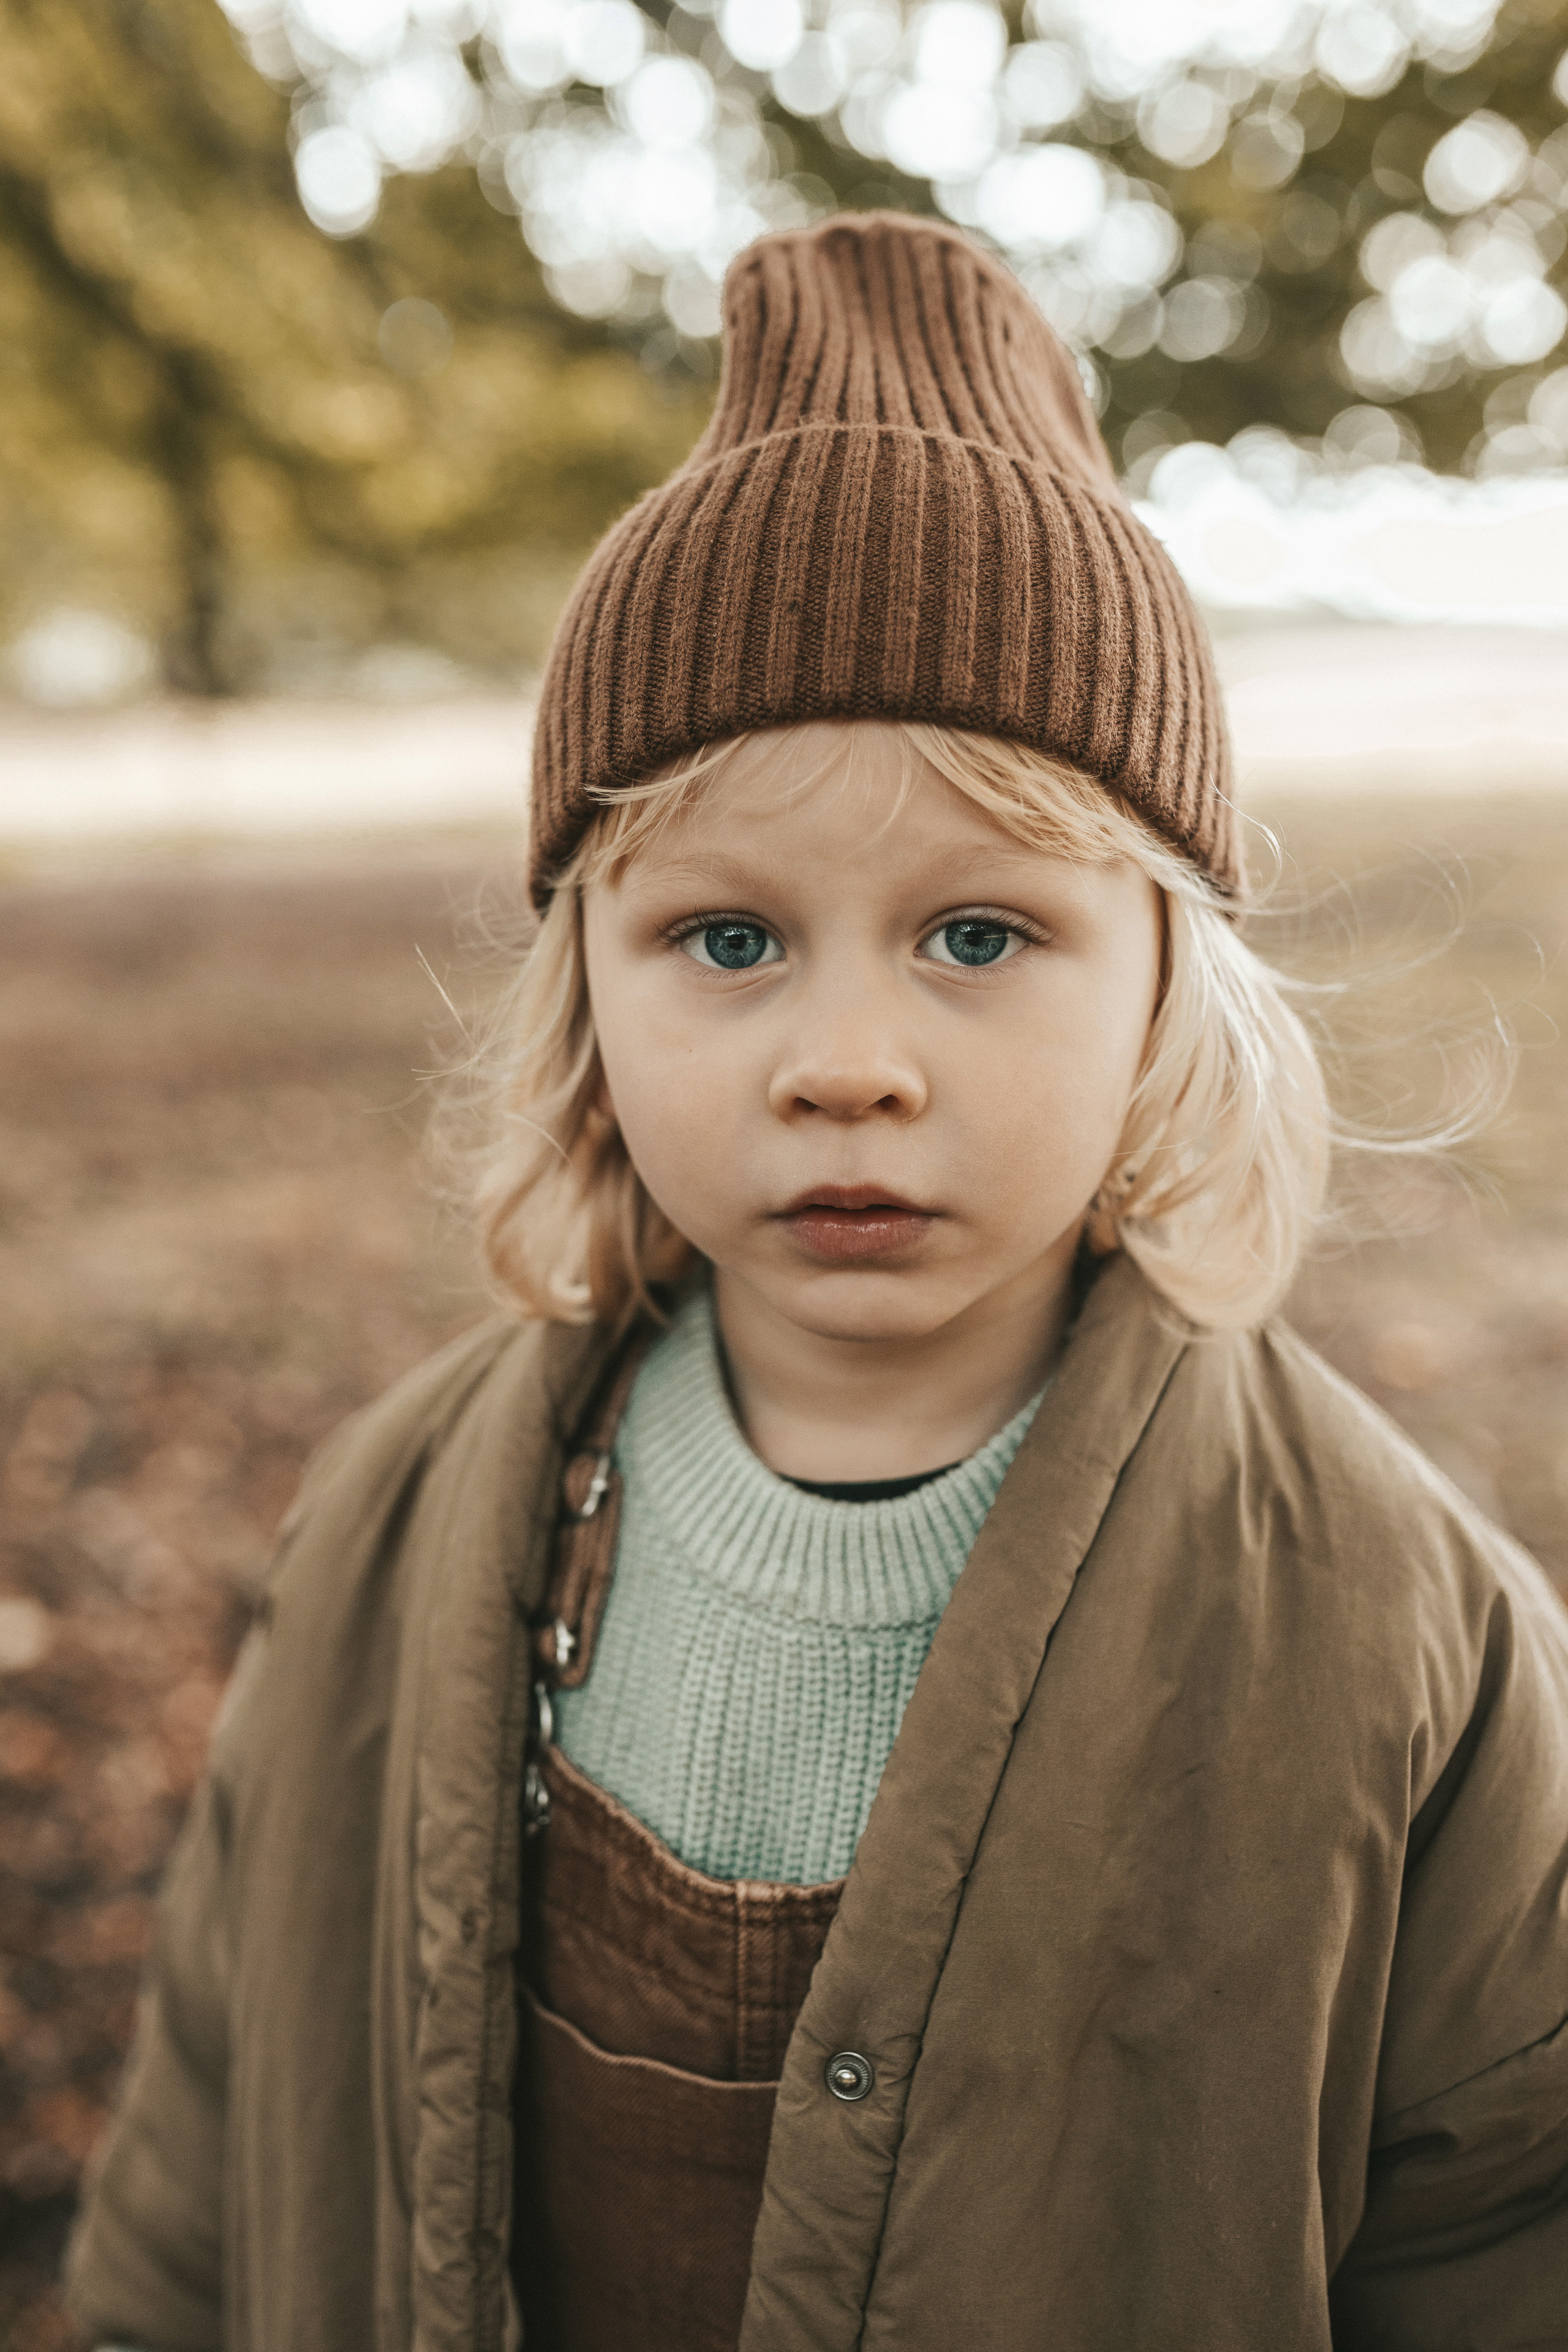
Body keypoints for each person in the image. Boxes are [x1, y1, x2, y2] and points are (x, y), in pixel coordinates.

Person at [66, 213, 1568, 2352]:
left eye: (979, 936)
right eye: (731, 937)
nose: (846, 1063)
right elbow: (209, 2155)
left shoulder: (1396, 1638)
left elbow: (1505, 2236)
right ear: (585, 985)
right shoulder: (399, 1525)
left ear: (1163, 988)